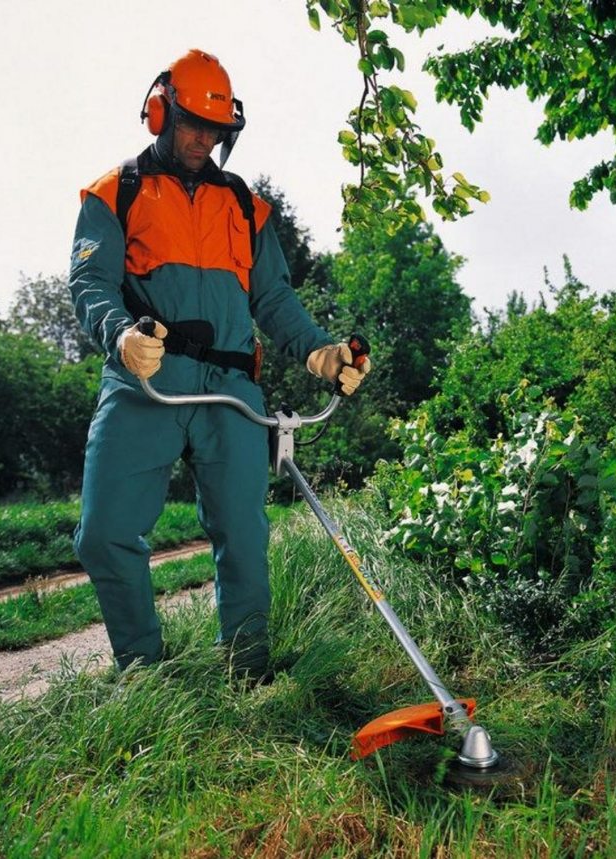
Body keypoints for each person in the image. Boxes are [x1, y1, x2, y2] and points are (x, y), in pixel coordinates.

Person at [69, 48, 370, 676]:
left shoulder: (245, 206)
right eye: (192, 124)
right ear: (160, 111)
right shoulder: (113, 194)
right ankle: (143, 672)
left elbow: (274, 299)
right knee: (103, 532)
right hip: (145, 378)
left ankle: (249, 672)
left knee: (244, 535)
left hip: (232, 387)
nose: (204, 139)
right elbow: (90, 286)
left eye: (216, 130)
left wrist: (321, 351)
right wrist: (121, 335)